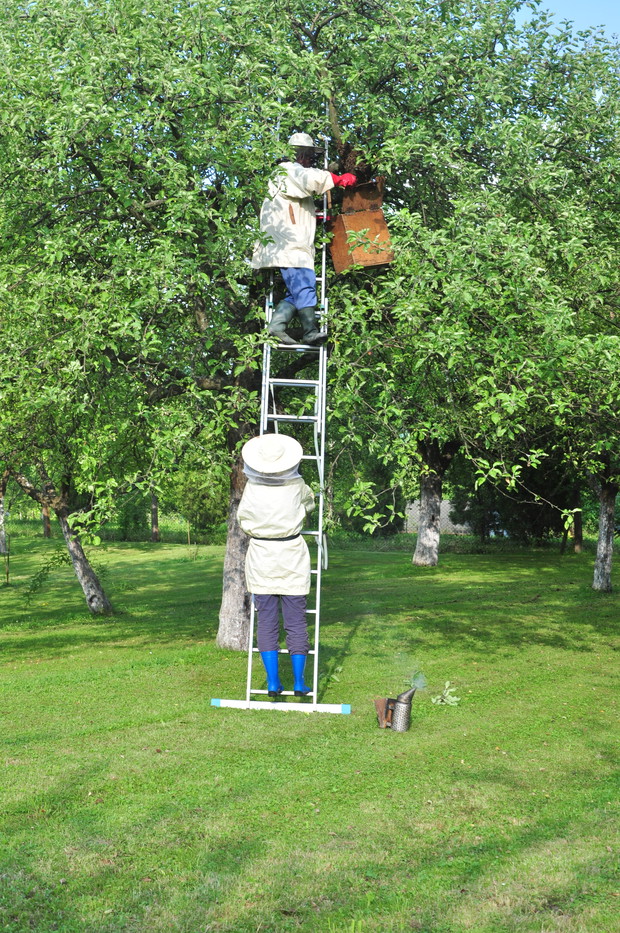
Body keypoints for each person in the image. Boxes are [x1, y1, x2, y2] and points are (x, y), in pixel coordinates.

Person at [251, 131, 356, 345]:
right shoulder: (288, 171)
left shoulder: (287, 177)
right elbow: (310, 179)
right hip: (289, 245)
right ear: (301, 155)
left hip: (288, 244)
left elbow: (295, 209)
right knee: (305, 285)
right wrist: (337, 179)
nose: (311, 162)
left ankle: (277, 325)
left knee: (298, 290)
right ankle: (310, 331)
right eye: (309, 157)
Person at [237, 432, 316, 697]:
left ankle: (272, 682)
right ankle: (299, 682)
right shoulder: (298, 486)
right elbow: (309, 506)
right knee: (296, 622)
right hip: (292, 555)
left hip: (261, 555)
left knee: (267, 621)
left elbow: (243, 519)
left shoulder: (252, 488)